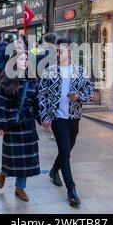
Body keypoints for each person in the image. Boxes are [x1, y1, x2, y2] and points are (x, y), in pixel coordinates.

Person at [38, 38, 93, 207]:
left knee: (68, 148)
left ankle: (55, 169)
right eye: (56, 51)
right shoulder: (49, 72)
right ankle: (72, 190)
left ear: (69, 52)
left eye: (60, 51)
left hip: (74, 117)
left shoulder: (80, 71)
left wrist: (79, 97)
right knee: (65, 150)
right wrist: (45, 116)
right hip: (57, 118)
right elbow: (42, 95)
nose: (57, 53)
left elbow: (89, 91)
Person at [0, 50, 40, 202]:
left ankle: (20, 187)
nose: (25, 62)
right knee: (12, 155)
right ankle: (4, 172)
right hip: (12, 123)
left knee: (25, 159)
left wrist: (43, 119)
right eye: (21, 59)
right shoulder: (7, 79)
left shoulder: (32, 79)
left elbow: (36, 101)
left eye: (27, 60)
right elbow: (0, 103)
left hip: (28, 124)